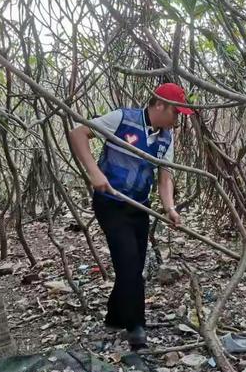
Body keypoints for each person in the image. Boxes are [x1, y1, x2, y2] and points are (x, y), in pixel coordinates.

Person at [70, 83, 193, 348]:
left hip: (139, 206)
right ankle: (136, 328)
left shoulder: (166, 139)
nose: (177, 120)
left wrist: (170, 207)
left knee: (134, 265)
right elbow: (78, 133)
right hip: (110, 203)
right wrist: (95, 173)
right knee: (128, 263)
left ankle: (114, 316)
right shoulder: (122, 119)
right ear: (159, 105)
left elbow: (165, 177)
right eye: (175, 113)